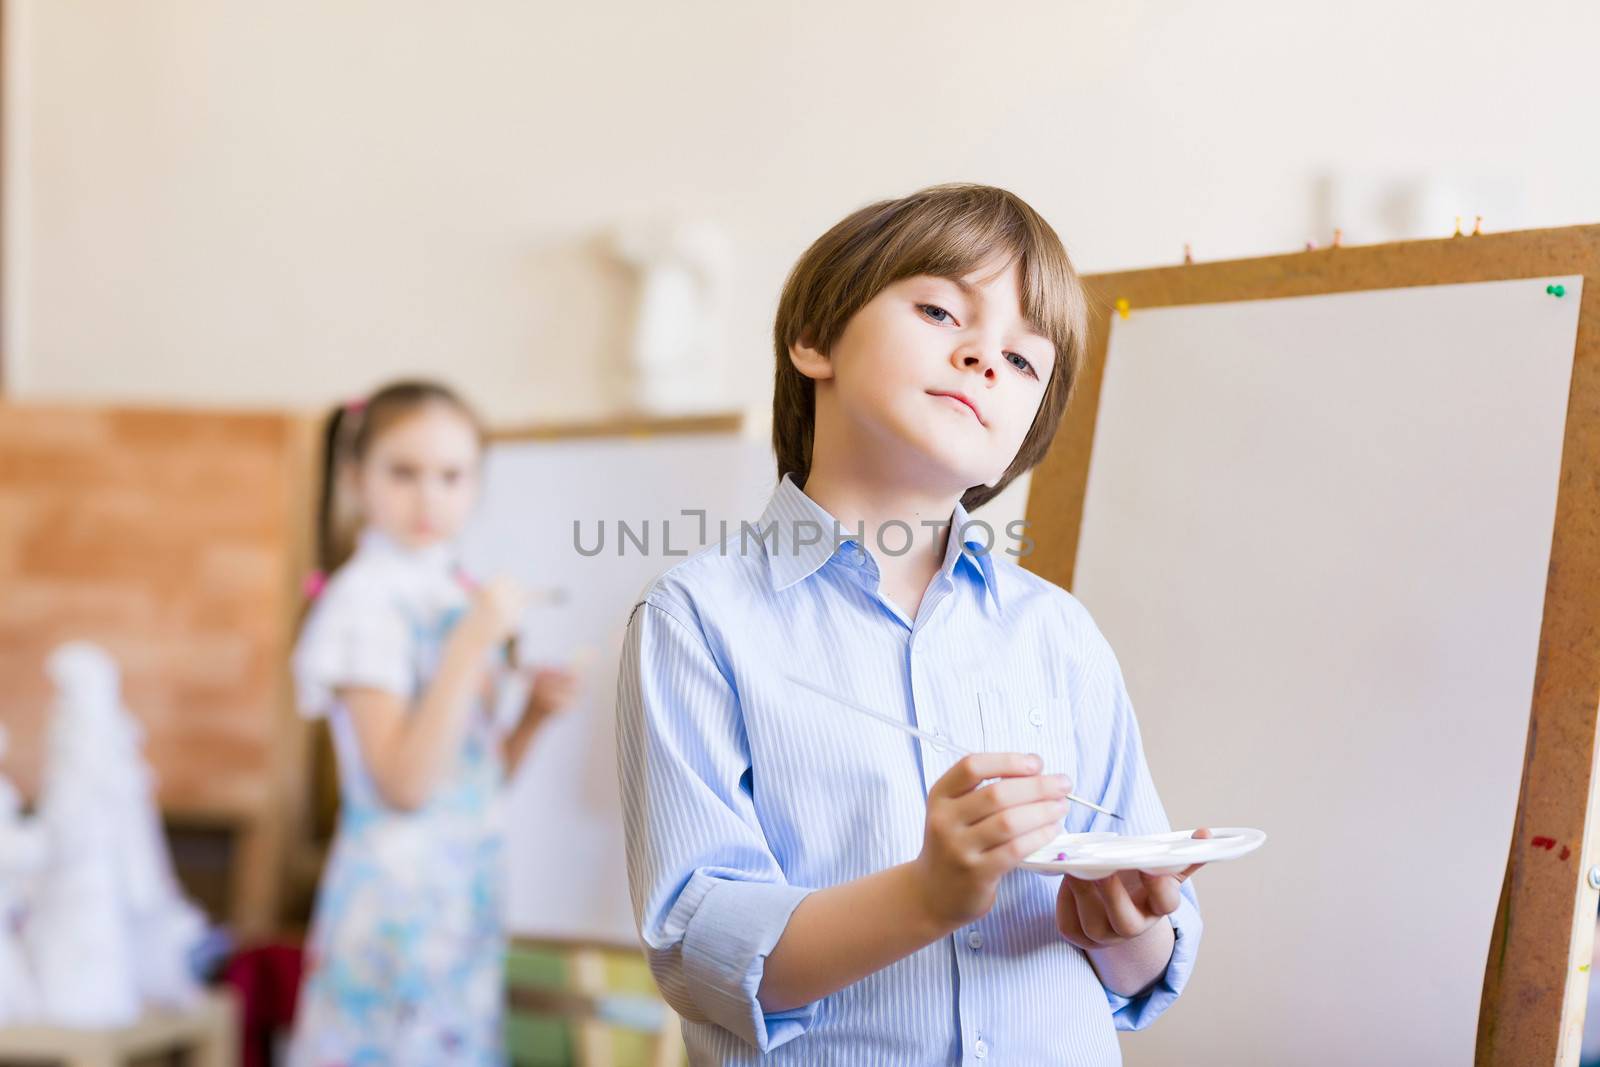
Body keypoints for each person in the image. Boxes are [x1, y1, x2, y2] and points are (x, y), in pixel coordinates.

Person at [619, 184, 1207, 1064]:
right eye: (940, 310)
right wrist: (930, 893)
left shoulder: (1060, 634)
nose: (982, 359)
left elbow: (1139, 972)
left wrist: (1125, 920)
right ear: (815, 339)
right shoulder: (698, 620)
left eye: (1022, 361)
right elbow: (700, 953)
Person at [287, 379, 578, 1066]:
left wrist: (532, 716)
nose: (429, 497)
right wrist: (471, 645)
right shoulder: (367, 600)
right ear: (357, 478)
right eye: (403, 472)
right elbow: (404, 783)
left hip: (460, 905)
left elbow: (469, 781)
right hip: (395, 911)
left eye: (451, 476)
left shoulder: (451, 590)